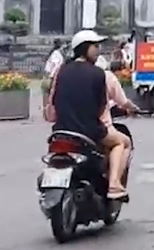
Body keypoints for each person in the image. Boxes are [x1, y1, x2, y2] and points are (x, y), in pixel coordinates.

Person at [50, 30, 131, 200]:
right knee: (122, 142)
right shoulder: (98, 73)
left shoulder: (61, 70)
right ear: (84, 48)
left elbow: (52, 103)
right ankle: (114, 184)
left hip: (61, 130)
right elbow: (101, 107)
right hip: (89, 131)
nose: (98, 50)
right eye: (95, 46)